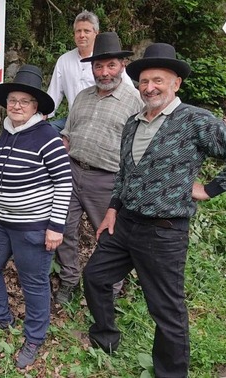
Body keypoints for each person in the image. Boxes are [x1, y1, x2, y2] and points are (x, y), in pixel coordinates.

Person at [82, 43, 226, 376]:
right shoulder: (133, 123)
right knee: (95, 277)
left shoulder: (195, 120)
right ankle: (105, 338)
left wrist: (209, 189)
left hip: (164, 231)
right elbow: (125, 173)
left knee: (166, 310)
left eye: (158, 80)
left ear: (175, 83)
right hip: (125, 225)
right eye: (145, 81)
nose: (149, 87)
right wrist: (112, 209)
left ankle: (171, 373)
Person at [0, 65, 72, 369]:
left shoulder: (47, 137)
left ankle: (35, 337)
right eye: (12, 100)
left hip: (34, 225)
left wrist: (55, 226)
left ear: (35, 107)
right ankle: (0, 317)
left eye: (24, 101)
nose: (16, 106)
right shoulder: (6, 133)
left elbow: (64, 183)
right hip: (0, 220)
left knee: (33, 282)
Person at [54, 32, 143, 305]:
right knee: (64, 230)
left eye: (110, 65)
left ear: (122, 66)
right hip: (71, 173)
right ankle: (69, 280)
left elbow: (140, 150)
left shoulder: (136, 102)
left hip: (107, 180)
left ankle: (109, 290)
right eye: (98, 66)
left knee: (108, 237)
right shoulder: (82, 97)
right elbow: (66, 136)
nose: (104, 72)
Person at [47, 11, 133, 131]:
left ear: (96, 34)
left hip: (102, 120)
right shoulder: (64, 60)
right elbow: (53, 95)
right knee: (46, 131)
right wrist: (40, 118)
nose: (82, 35)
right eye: (78, 31)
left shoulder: (106, 60)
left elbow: (130, 91)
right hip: (73, 119)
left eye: (86, 31)